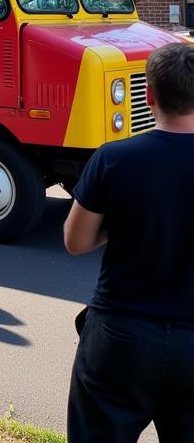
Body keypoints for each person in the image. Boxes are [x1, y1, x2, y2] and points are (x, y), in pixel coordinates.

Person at [64, 42, 194, 441]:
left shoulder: (114, 158)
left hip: (121, 336)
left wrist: (119, 223)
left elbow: (76, 241)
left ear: (150, 95)